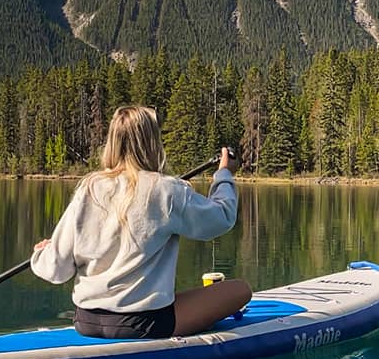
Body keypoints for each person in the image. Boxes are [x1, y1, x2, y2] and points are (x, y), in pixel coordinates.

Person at [31, 105, 252, 339]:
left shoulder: (89, 188)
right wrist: (224, 174)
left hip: (86, 320)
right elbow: (223, 217)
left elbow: (55, 270)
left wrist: (43, 253)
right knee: (240, 290)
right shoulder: (166, 190)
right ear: (151, 142)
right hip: (144, 324)